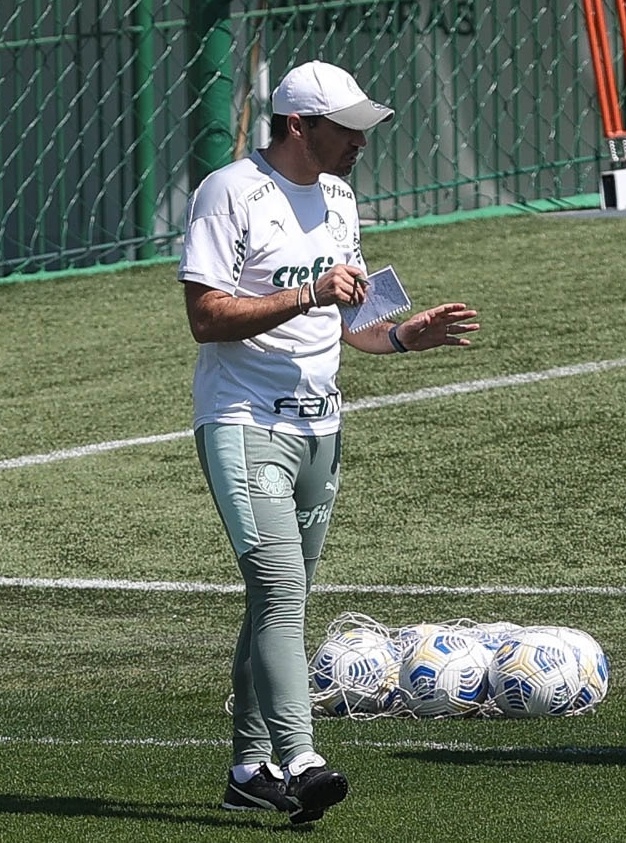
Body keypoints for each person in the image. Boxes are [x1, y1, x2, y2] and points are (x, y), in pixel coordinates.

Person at [177, 60, 480, 823]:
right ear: (299, 127)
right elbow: (207, 316)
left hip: (322, 426)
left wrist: (406, 336)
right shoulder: (229, 193)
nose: (361, 142)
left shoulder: (341, 196)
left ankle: (249, 768)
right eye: (347, 128)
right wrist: (308, 292)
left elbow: (349, 322)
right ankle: (301, 757)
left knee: (276, 599)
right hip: (246, 424)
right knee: (280, 590)